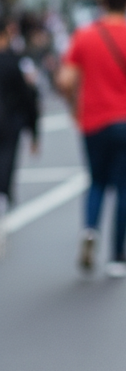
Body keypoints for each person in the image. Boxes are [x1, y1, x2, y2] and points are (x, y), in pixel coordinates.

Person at [57, 0, 126, 277]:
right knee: (124, 186)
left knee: (97, 181)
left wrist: (73, 106)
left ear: (103, 4)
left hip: (93, 121)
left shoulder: (84, 36)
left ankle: (90, 230)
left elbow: (65, 80)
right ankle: (118, 257)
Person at [0, 18, 40, 255]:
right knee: (6, 165)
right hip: (9, 124)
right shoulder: (15, 62)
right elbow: (28, 96)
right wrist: (34, 131)